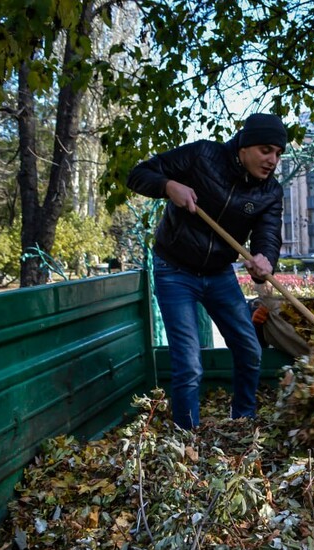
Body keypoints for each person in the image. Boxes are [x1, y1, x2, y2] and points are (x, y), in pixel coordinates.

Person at [127, 113, 288, 429]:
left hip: (218, 273)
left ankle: (243, 420)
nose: (273, 160)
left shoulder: (270, 192)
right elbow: (138, 174)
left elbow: (268, 235)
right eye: (266, 150)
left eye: (278, 153)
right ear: (244, 146)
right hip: (174, 270)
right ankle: (186, 437)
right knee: (189, 364)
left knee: (249, 349)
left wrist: (264, 260)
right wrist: (168, 185)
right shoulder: (203, 155)